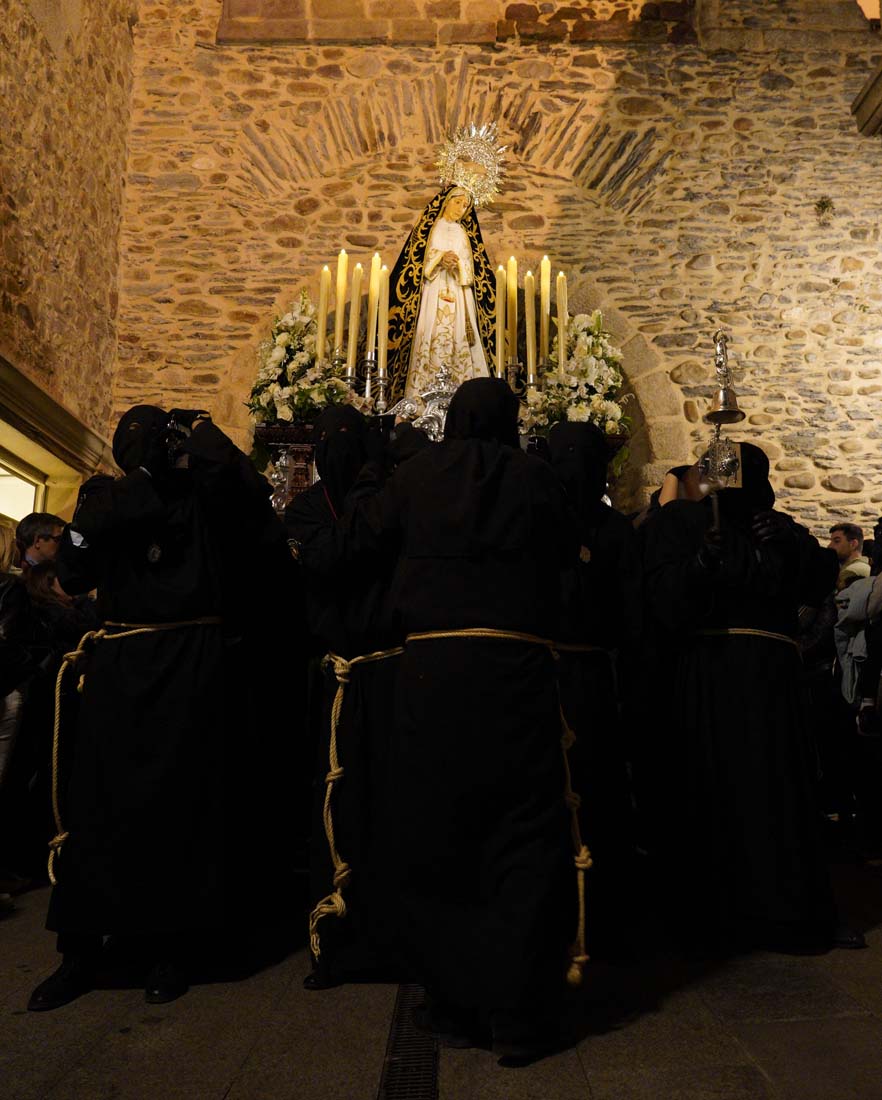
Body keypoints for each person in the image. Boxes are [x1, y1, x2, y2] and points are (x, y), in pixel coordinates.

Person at [28, 406, 304, 1012]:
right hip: (122, 672)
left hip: (190, 668)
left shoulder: (204, 493)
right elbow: (74, 567)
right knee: (100, 805)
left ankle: (170, 948)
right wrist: (138, 486)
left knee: (181, 809)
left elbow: (250, 499)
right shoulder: (107, 497)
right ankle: (80, 951)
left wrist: (203, 432)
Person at [335, 378, 578, 1064]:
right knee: (522, 835)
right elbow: (569, 552)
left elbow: (359, 542)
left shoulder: (417, 476)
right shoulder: (536, 477)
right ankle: (518, 1015)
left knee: (437, 832)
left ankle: (451, 998)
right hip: (515, 674)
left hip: (432, 678)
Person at [642, 442, 846, 952]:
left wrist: (792, 541)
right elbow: (662, 594)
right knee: (713, 786)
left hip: (772, 678)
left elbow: (819, 581)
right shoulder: (683, 523)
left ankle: (782, 909)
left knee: (775, 788)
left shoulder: (777, 528)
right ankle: (711, 913)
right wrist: (700, 566)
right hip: (712, 674)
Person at [547, 420, 641, 954]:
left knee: (594, 784)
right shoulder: (549, 523)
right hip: (561, 672)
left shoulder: (611, 530)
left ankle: (601, 908)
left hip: (583, 673)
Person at [385, 186, 495, 407]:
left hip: (457, 292)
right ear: (446, 201)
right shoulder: (430, 228)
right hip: (432, 291)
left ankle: (462, 397)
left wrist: (458, 265)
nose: (461, 210)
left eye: (465, 206)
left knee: (460, 339)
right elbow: (415, 261)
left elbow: (472, 266)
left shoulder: (464, 233)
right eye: (458, 203)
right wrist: (439, 259)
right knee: (428, 333)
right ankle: (419, 398)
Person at [829, 522, 870, 592]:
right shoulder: (859, 566)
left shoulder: (852, 571)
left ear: (853, 544)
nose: (830, 546)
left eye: (837, 541)